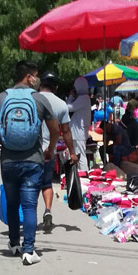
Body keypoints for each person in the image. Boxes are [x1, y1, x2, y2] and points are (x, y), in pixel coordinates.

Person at [0, 60, 59, 266]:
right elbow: (55, 130)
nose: (37, 79)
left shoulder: (0, 99)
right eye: (35, 75)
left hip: (8, 161)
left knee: (12, 203)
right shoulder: (39, 99)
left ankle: (14, 243)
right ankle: (28, 250)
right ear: (29, 77)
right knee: (29, 206)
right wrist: (50, 149)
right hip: (33, 161)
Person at [37, 72, 76, 230]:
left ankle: (30, 215)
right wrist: (72, 152)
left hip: (31, 151)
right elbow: (65, 131)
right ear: (56, 87)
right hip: (49, 150)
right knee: (46, 184)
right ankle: (47, 211)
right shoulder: (61, 104)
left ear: (40, 85)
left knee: (30, 185)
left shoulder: (32, 99)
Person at [67, 76, 92, 166]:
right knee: (80, 155)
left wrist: (70, 96)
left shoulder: (83, 98)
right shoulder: (84, 98)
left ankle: (83, 172)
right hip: (79, 132)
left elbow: (68, 107)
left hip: (79, 132)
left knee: (81, 156)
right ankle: (81, 172)